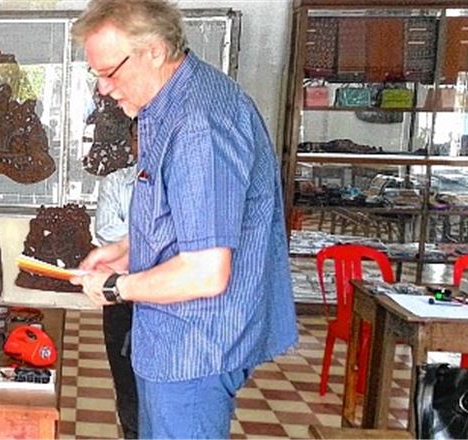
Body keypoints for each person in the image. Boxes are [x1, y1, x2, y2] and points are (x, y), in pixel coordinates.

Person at [69, 1, 298, 438]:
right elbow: (186, 220)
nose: (102, 89)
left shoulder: (199, 123)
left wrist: (117, 287)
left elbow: (205, 272)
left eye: (110, 72)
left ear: (154, 50)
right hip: (173, 342)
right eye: (95, 74)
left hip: (193, 348)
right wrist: (125, 250)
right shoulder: (169, 105)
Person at [93, 116, 139, 439]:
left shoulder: (184, 183)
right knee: (127, 385)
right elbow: (106, 232)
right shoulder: (116, 183)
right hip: (122, 301)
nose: (145, 143)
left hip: (170, 303)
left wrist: (129, 244)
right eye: (139, 135)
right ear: (131, 141)